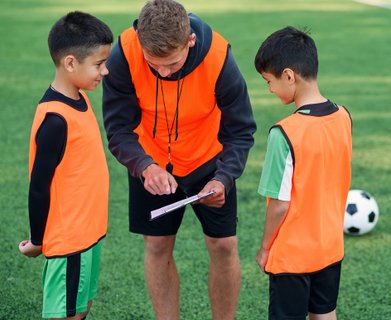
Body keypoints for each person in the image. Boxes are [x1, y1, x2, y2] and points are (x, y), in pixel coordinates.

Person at [102, 0, 256, 318]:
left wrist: (224, 177)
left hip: (208, 161)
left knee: (224, 245)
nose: (163, 72)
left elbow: (240, 131)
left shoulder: (218, 56)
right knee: (157, 246)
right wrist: (144, 166)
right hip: (150, 160)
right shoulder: (123, 53)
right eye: (153, 63)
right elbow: (118, 128)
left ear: (190, 41)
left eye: (171, 64)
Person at [18, 11, 113, 320]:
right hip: (70, 240)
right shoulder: (54, 119)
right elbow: (38, 185)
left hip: (89, 233)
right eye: (99, 64)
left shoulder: (80, 96)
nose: (105, 71)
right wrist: (37, 240)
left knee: (81, 308)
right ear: (70, 63)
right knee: (65, 314)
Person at [254, 26, 352, 320]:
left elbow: (280, 204)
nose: (270, 89)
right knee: (324, 313)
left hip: (292, 254)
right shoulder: (343, 116)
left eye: (268, 81)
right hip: (330, 246)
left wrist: (264, 248)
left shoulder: (284, 133)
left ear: (288, 75)